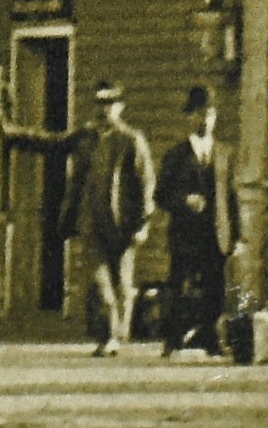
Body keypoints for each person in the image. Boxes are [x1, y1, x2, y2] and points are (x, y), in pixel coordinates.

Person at [64, 82, 154, 355]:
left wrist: (143, 223)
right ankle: (108, 338)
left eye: (111, 104)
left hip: (122, 224)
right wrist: (12, 134)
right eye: (101, 104)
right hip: (91, 222)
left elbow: (146, 184)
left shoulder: (131, 140)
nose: (105, 110)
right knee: (99, 282)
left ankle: (118, 334)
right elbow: (52, 143)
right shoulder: (86, 138)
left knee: (123, 284)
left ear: (120, 107)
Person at [156, 85, 241, 355]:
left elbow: (232, 197)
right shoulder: (176, 156)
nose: (206, 119)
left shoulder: (225, 153)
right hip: (185, 234)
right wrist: (184, 201)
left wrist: (238, 236)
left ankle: (211, 339)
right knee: (179, 287)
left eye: (211, 114)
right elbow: (160, 195)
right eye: (200, 114)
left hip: (217, 233)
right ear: (190, 118)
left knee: (216, 289)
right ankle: (173, 340)